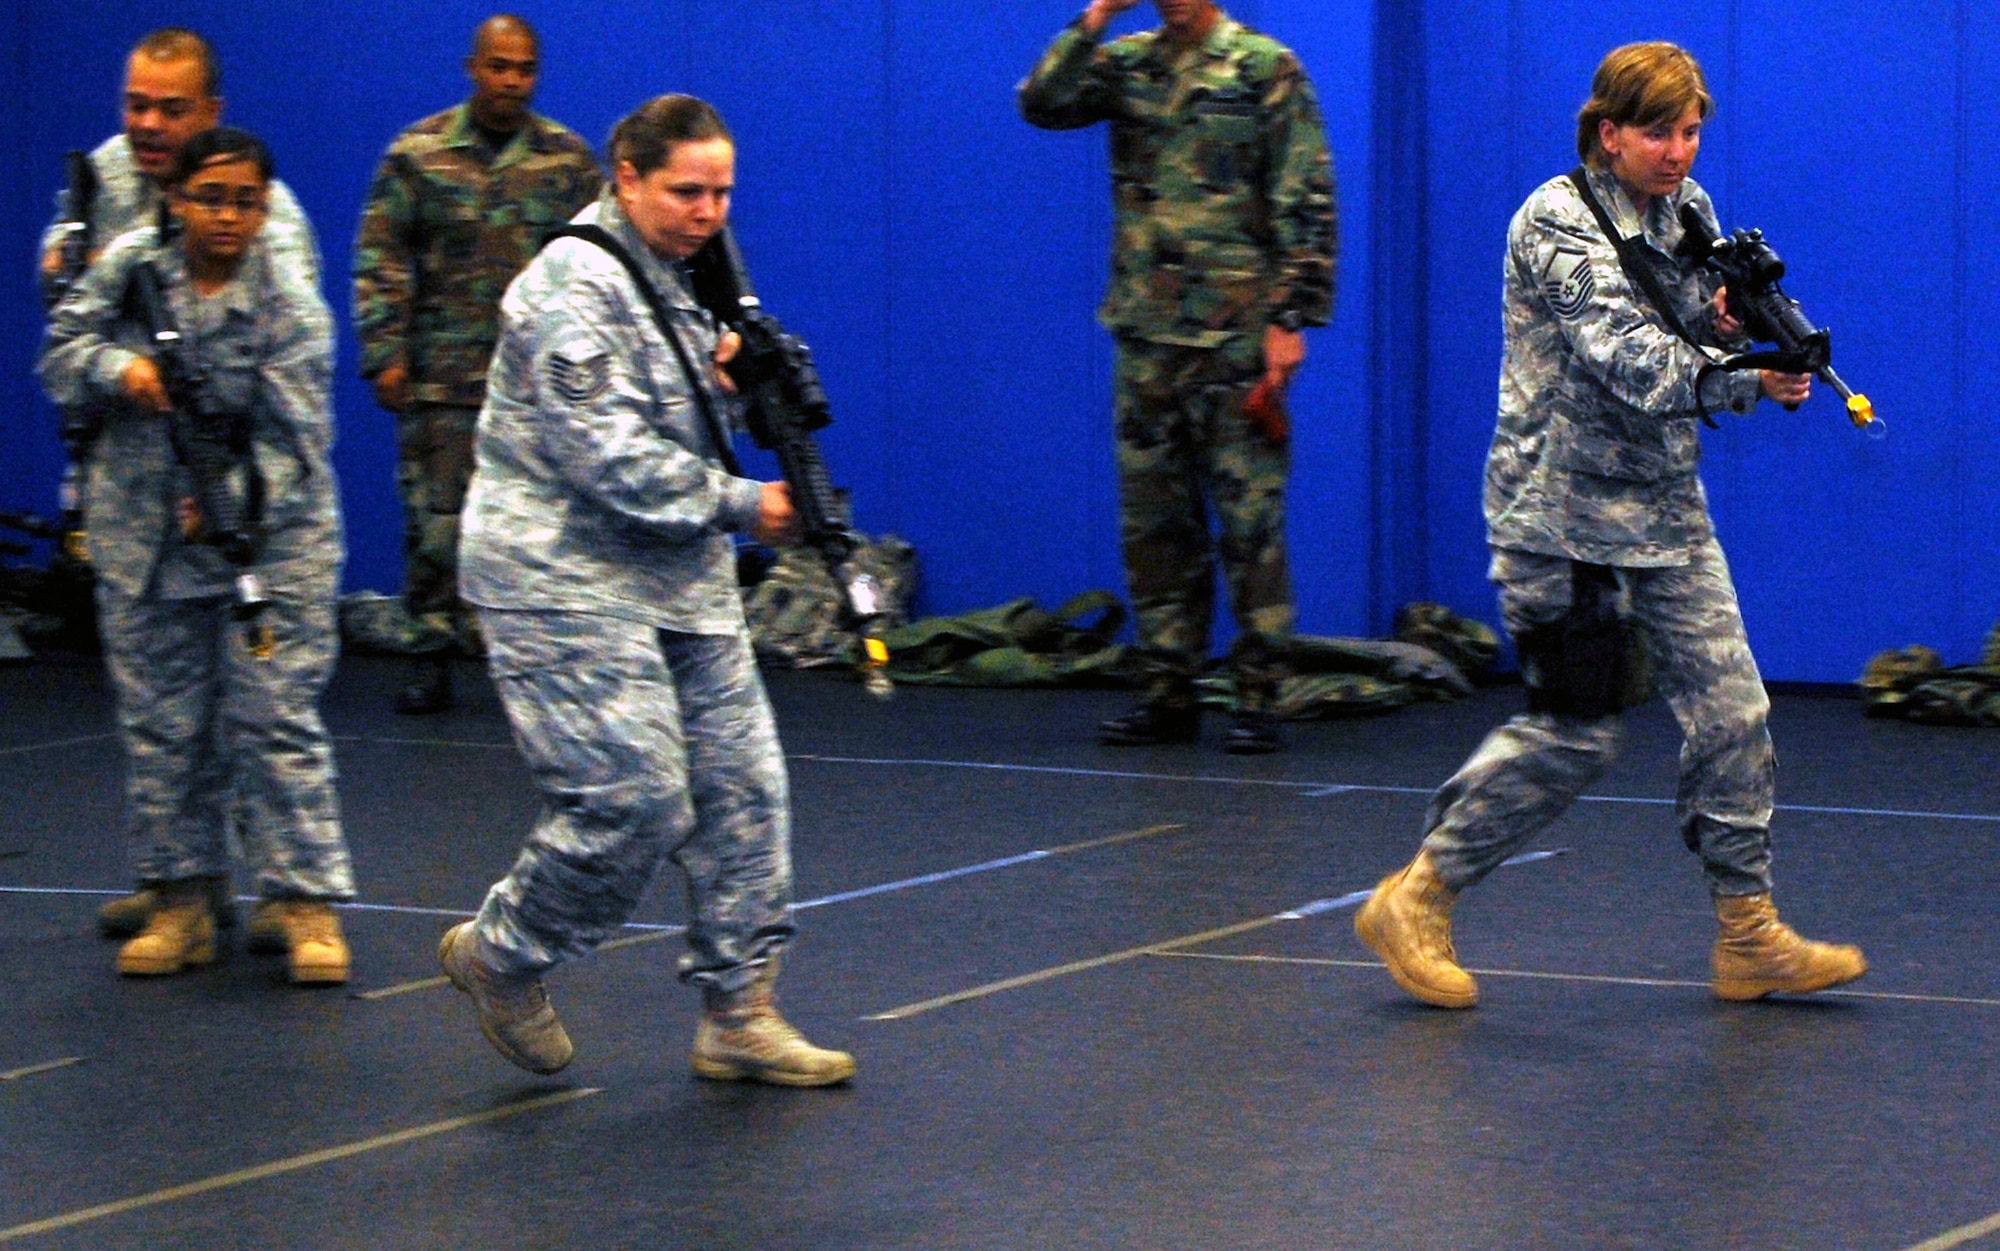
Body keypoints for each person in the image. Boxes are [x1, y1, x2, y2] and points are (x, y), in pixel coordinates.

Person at [1354, 42, 1865, 1009]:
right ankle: (1416, 896)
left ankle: (1747, 934)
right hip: (1561, 517)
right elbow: (1627, 360)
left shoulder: (1690, 212)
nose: (1681, 150)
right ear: (1608, 134)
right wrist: (1747, 378)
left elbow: (1686, 333)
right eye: (1662, 133)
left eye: (1692, 131)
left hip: (1663, 507)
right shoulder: (1554, 223)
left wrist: (1728, 323)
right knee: (1576, 732)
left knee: (1736, 713)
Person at [435, 94, 855, 1086]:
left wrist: (736, 379)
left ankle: (740, 1015)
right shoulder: (571, 285)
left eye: (721, 192)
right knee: (634, 797)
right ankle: (501, 956)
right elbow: (605, 455)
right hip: (560, 574)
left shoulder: (685, 279)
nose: (709, 211)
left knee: (744, 792)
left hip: (678, 574)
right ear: (625, 177)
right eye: (685, 190)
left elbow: (681, 407)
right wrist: (746, 503)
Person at [38, 127, 357, 985]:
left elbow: (303, 443)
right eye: (209, 197)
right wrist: (120, 369)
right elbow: (60, 355)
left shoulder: (289, 301)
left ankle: (305, 901)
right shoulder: (130, 267)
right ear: (177, 200)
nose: (226, 215)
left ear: (266, 207)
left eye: (245, 200)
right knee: (164, 727)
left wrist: (232, 502)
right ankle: (183, 901)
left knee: (274, 720)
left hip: (271, 542)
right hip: (140, 531)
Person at [1019, 0, 1337, 754]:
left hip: (1234, 339)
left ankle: (1260, 695)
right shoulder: (1128, 63)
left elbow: (1307, 198)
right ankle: (1169, 690)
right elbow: (1043, 103)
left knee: (1249, 526)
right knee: (1155, 528)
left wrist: (1290, 319)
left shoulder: (1265, 68)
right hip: (1146, 335)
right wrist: (1094, 16)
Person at [352, 14, 602, 716]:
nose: (510, 81)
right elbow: (381, 257)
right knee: (436, 527)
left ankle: (541, 663)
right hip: (442, 376)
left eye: (523, 69)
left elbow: (599, 265)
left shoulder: (567, 161)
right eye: (498, 67)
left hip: (540, 383)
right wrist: (383, 352)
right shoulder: (419, 153)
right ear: (472, 68)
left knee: (548, 525)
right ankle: (430, 655)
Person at [40, 28, 320, 297]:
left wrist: (110, 268)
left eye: (173, 111)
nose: (149, 124)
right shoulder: (109, 165)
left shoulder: (256, 199)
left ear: (212, 113)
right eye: (137, 107)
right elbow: (58, 262)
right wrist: (65, 258)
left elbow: (296, 313)